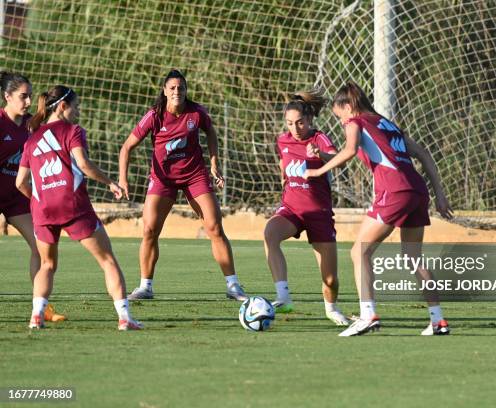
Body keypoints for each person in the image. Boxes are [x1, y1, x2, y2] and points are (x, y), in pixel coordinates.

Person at [303, 82, 454, 336]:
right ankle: (437, 320)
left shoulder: (355, 122)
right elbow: (424, 154)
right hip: (417, 191)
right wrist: (440, 194)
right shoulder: (386, 124)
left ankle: (367, 315)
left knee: (358, 252)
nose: (341, 123)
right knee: (413, 257)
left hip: (394, 191)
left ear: (349, 107)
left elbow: (349, 151)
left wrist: (317, 170)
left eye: (340, 117)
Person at [15, 85, 142, 330]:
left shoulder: (32, 139)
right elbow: (83, 165)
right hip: (72, 205)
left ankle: (36, 316)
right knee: (107, 260)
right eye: (76, 106)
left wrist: (37, 199)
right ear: (63, 106)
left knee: (47, 265)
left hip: (42, 210)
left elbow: (20, 182)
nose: (78, 112)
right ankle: (125, 318)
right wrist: (110, 182)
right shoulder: (72, 131)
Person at [119, 69, 247, 301]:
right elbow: (126, 147)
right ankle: (145, 287)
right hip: (163, 180)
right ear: (165, 91)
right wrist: (122, 179)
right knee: (149, 230)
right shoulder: (154, 115)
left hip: (194, 177)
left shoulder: (197, 113)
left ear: (186, 91)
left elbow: (211, 134)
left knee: (215, 227)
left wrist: (214, 164)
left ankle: (234, 286)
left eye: (181, 88)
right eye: (173, 88)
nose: (177, 91)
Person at [265, 91, 349, 326]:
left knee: (330, 279)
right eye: (290, 123)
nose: (295, 128)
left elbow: (336, 157)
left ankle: (331, 308)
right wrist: (284, 177)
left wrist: (319, 155)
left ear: (310, 120)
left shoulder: (319, 138)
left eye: (300, 122)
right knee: (270, 233)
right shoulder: (282, 140)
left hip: (319, 214)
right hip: (292, 209)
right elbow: (283, 161)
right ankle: (283, 296)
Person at [1, 71, 65, 322]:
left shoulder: (31, 124)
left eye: (29, 96)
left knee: (41, 247)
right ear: (7, 96)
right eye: (22, 96)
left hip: (17, 199)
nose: (27, 102)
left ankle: (42, 306)